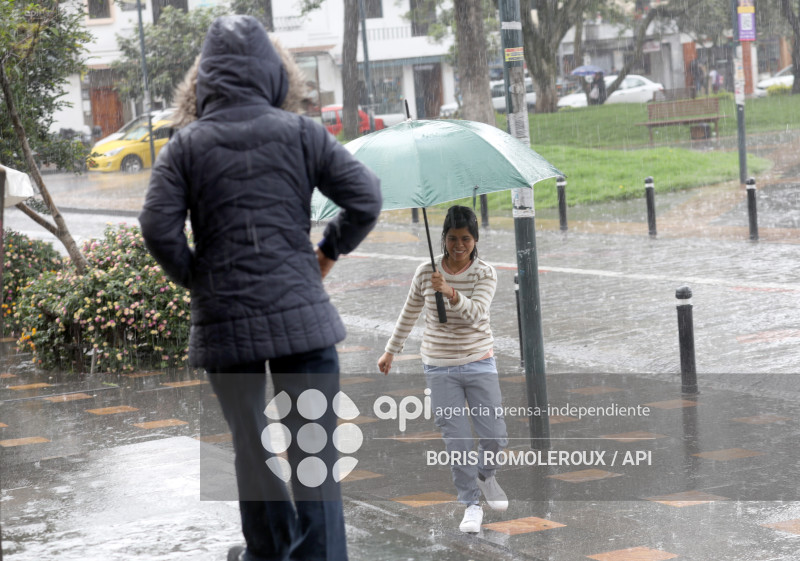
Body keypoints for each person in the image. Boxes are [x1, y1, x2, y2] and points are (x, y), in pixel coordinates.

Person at [138, 15, 381, 561]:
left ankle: (269, 552)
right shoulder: (302, 133)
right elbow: (366, 196)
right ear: (275, 76)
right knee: (314, 454)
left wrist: (198, 278)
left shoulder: (185, 146)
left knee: (252, 447)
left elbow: (156, 227)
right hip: (304, 324)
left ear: (204, 81)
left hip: (227, 328)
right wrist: (327, 251)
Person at [377, 205, 509, 534]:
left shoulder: (485, 273)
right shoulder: (426, 271)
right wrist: (391, 350)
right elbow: (409, 312)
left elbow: (476, 314)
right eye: (452, 238)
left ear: (475, 239)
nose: (458, 245)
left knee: (495, 436)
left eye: (465, 238)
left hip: (479, 360)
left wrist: (449, 291)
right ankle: (471, 504)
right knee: (458, 440)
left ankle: (484, 474)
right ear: (444, 239)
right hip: (439, 367)